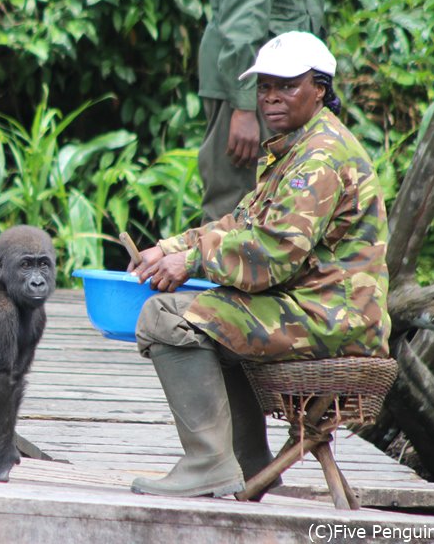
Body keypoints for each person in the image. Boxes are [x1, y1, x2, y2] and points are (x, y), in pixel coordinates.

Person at [130, 31, 390, 498]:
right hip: (317, 307)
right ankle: (248, 464)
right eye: (264, 86)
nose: (271, 97)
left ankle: (209, 462)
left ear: (320, 88)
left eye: (287, 86)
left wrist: (189, 260)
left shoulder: (320, 157)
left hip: (332, 319)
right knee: (214, 312)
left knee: (167, 319)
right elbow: (243, 222)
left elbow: (271, 254)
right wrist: (170, 246)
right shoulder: (299, 146)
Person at [198, 0, 434, 223]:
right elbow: (244, 12)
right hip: (250, 82)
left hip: (294, 81)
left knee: (287, 204)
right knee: (234, 206)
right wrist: (243, 105)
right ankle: (216, 274)